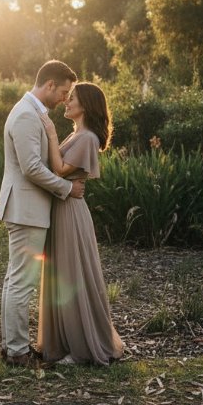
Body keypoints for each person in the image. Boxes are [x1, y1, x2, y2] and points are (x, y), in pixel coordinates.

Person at [0, 60, 87, 367]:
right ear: (49, 85)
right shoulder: (25, 115)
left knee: (15, 279)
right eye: (63, 91)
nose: (65, 98)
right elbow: (31, 168)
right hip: (26, 208)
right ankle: (18, 352)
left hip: (26, 207)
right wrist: (66, 188)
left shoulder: (31, 112)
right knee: (21, 281)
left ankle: (13, 347)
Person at [36, 82, 124, 366]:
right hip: (63, 207)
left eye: (71, 98)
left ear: (85, 105)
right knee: (62, 274)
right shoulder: (78, 135)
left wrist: (49, 133)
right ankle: (64, 342)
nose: (66, 102)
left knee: (73, 275)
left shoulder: (86, 138)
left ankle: (82, 348)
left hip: (71, 211)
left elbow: (60, 169)